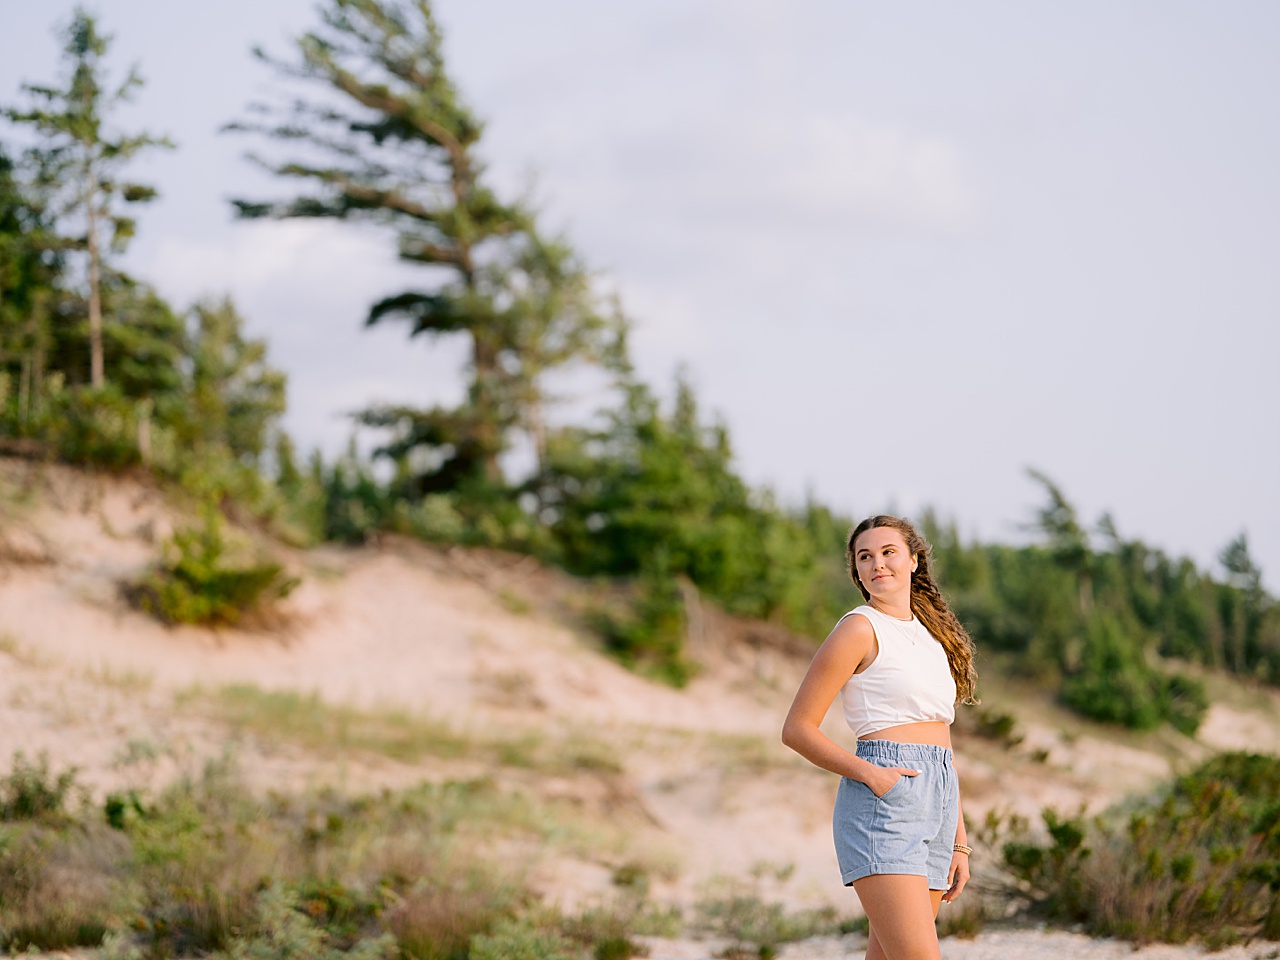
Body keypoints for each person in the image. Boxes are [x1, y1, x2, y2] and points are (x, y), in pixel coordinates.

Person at [781, 515, 979, 960]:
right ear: (856, 570)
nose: (877, 564)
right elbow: (796, 729)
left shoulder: (933, 637)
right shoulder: (858, 628)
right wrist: (871, 774)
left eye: (888, 552)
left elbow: (942, 746)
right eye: (864, 557)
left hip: (937, 803)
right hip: (883, 807)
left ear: (913, 559)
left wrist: (958, 837)